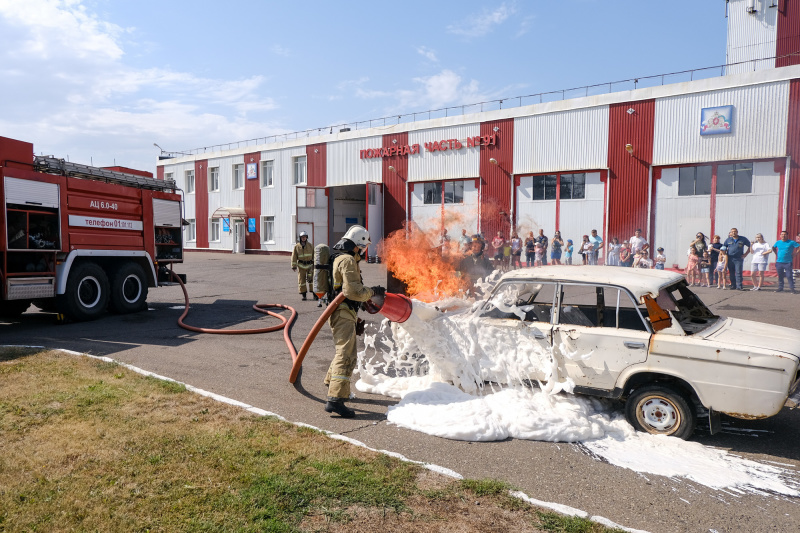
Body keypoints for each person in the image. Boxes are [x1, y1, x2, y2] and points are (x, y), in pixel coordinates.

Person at [324, 225, 383, 418]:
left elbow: (345, 292)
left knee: (343, 350)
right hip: (342, 313)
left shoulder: (343, 258)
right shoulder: (348, 260)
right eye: (363, 247)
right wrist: (372, 292)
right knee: (347, 355)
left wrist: (357, 313)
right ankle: (335, 399)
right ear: (357, 246)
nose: (364, 252)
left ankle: (332, 383)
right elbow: (353, 291)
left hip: (344, 312)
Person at [291, 231, 315, 300]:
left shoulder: (310, 246)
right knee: (302, 281)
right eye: (302, 237)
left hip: (310, 265)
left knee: (312, 280)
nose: (303, 238)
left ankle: (315, 295)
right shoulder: (297, 247)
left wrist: (315, 264)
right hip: (301, 266)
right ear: (300, 238)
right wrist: (294, 266)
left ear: (306, 237)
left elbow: (314, 255)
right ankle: (304, 295)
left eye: (304, 237)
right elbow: (294, 256)